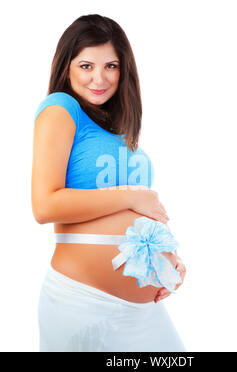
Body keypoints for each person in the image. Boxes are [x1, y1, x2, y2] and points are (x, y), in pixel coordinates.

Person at [32, 13, 187, 352]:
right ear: (66, 67)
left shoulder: (121, 131)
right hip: (82, 302)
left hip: (146, 311)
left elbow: (143, 214)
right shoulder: (60, 110)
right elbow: (44, 206)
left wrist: (169, 257)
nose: (99, 78)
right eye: (86, 65)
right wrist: (130, 196)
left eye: (111, 66)